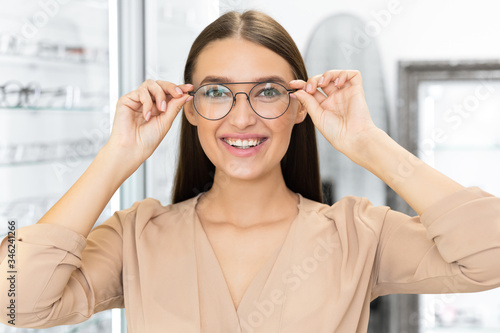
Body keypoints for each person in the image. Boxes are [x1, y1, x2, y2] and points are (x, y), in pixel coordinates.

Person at [1, 9, 500, 333]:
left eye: (267, 92)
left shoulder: (358, 234)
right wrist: (116, 156)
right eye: (216, 92)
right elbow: (13, 298)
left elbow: (490, 256)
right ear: (188, 107)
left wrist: (367, 143)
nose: (242, 118)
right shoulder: (137, 237)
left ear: (300, 106)